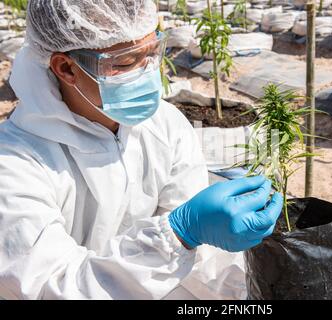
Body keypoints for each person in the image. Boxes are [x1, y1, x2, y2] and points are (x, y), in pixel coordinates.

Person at [0, 0, 283, 299]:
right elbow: (50, 288)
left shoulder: (164, 125)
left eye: (152, 53)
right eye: (125, 63)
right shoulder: (15, 164)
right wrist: (177, 235)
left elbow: (197, 261)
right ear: (66, 68)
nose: (148, 73)